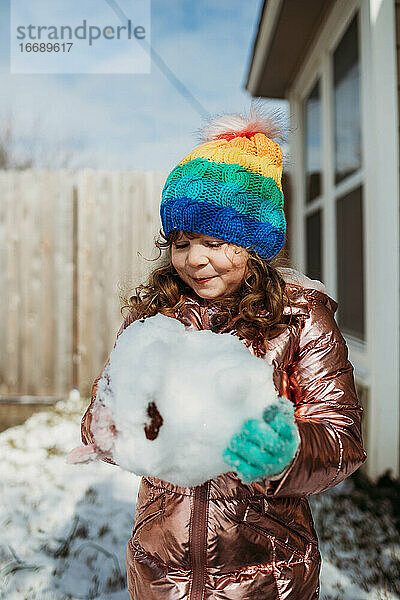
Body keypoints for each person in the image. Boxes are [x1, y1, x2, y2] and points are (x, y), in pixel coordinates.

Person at [79, 107, 367, 599]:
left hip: (264, 572)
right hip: (160, 571)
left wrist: (288, 452)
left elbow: (342, 438)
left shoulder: (297, 321)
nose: (194, 259)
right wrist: (107, 426)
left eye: (214, 241)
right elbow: (110, 408)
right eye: (182, 241)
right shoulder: (154, 319)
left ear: (255, 244)